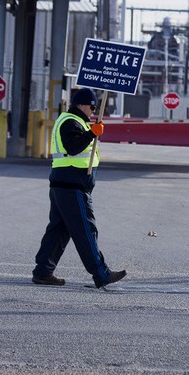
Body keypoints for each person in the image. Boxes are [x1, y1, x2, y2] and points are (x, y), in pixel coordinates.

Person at [31, 87, 126, 288]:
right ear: (82, 105)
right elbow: (73, 148)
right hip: (72, 186)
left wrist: (90, 131)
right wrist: (91, 133)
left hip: (63, 184)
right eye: (92, 107)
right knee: (85, 230)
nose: (93, 111)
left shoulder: (71, 120)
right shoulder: (71, 122)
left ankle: (43, 272)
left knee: (58, 230)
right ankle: (102, 274)